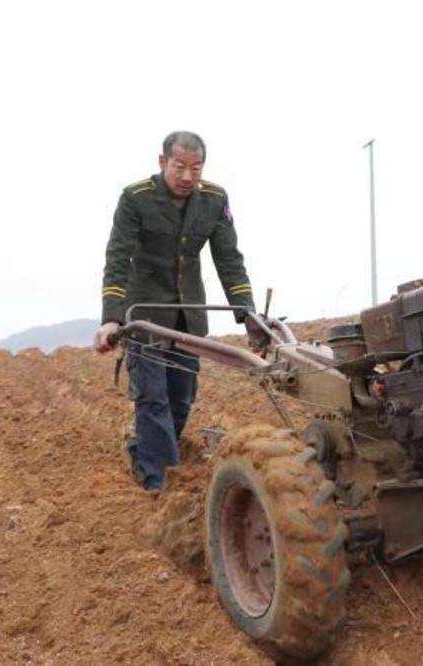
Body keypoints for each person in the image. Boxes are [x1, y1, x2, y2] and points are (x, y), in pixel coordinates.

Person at [94, 131, 260, 491]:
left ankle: (144, 451)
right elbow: (118, 259)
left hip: (188, 317)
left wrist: (246, 311)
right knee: (152, 397)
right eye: (179, 167)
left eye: (195, 168)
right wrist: (112, 317)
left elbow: (229, 259)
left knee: (180, 399)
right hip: (145, 315)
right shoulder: (135, 199)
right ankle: (162, 485)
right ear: (162, 162)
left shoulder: (214, 200)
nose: (187, 177)